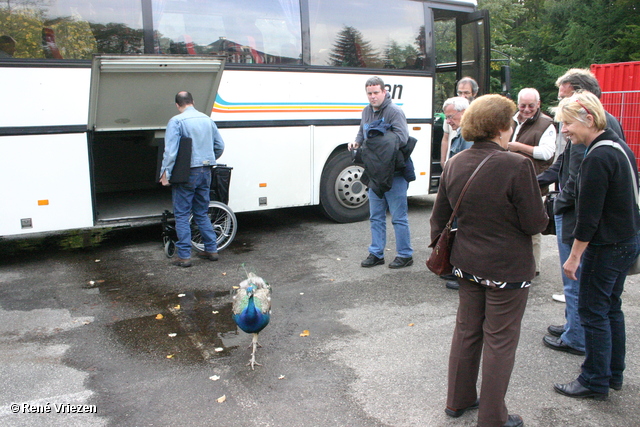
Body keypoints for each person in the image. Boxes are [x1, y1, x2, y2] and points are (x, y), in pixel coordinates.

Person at [431, 94, 548, 427]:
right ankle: (493, 417)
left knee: (467, 331)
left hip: (466, 263)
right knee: (500, 340)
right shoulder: (517, 164)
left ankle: (458, 400)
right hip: (507, 269)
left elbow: (438, 218)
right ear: (500, 127)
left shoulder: (455, 162)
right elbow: (534, 223)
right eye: (511, 123)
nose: (512, 128)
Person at [553, 91, 640, 400]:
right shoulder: (619, 147)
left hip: (607, 246)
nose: (564, 130)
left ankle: (594, 379)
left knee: (592, 311)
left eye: (567, 123)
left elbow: (588, 218)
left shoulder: (597, 156)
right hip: (626, 240)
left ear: (588, 118)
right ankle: (613, 373)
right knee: (610, 308)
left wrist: (573, 257)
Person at [539, 69, 626, 356]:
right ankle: (572, 326)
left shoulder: (591, 136)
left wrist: (561, 203)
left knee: (574, 278)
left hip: (577, 213)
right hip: (585, 214)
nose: (563, 126)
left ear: (581, 96)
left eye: (564, 97)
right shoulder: (605, 126)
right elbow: (563, 165)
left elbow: (578, 179)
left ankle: (576, 337)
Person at [348, 76, 413, 269]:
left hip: (395, 173)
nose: (373, 96)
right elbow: (362, 133)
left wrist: (377, 140)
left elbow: (402, 139)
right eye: (369, 93)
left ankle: (405, 255)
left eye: (376, 92)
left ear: (384, 92)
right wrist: (357, 143)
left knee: (398, 217)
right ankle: (376, 253)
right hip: (374, 172)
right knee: (376, 215)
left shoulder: (394, 111)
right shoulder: (366, 111)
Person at [159, 91, 225, 267]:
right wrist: (209, 159)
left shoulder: (176, 121)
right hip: (206, 171)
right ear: (193, 102)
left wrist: (166, 173)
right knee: (201, 212)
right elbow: (219, 146)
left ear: (177, 105)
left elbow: (170, 151)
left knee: (181, 214)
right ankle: (212, 249)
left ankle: (184, 256)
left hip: (186, 173)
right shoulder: (207, 119)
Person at [507, 88, 557, 276]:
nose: (526, 109)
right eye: (523, 105)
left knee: (532, 226)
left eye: (531, 106)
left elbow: (547, 153)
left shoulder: (546, 124)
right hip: (509, 180)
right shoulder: (510, 120)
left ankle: (533, 268)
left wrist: (517, 147)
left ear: (539, 104)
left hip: (533, 182)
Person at [440, 96, 471, 290]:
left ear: (463, 113)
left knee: (464, 234)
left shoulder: (468, 136)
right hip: (459, 195)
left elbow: (466, 167)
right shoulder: (461, 133)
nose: (448, 121)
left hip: (464, 197)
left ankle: (464, 276)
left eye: (451, 116)